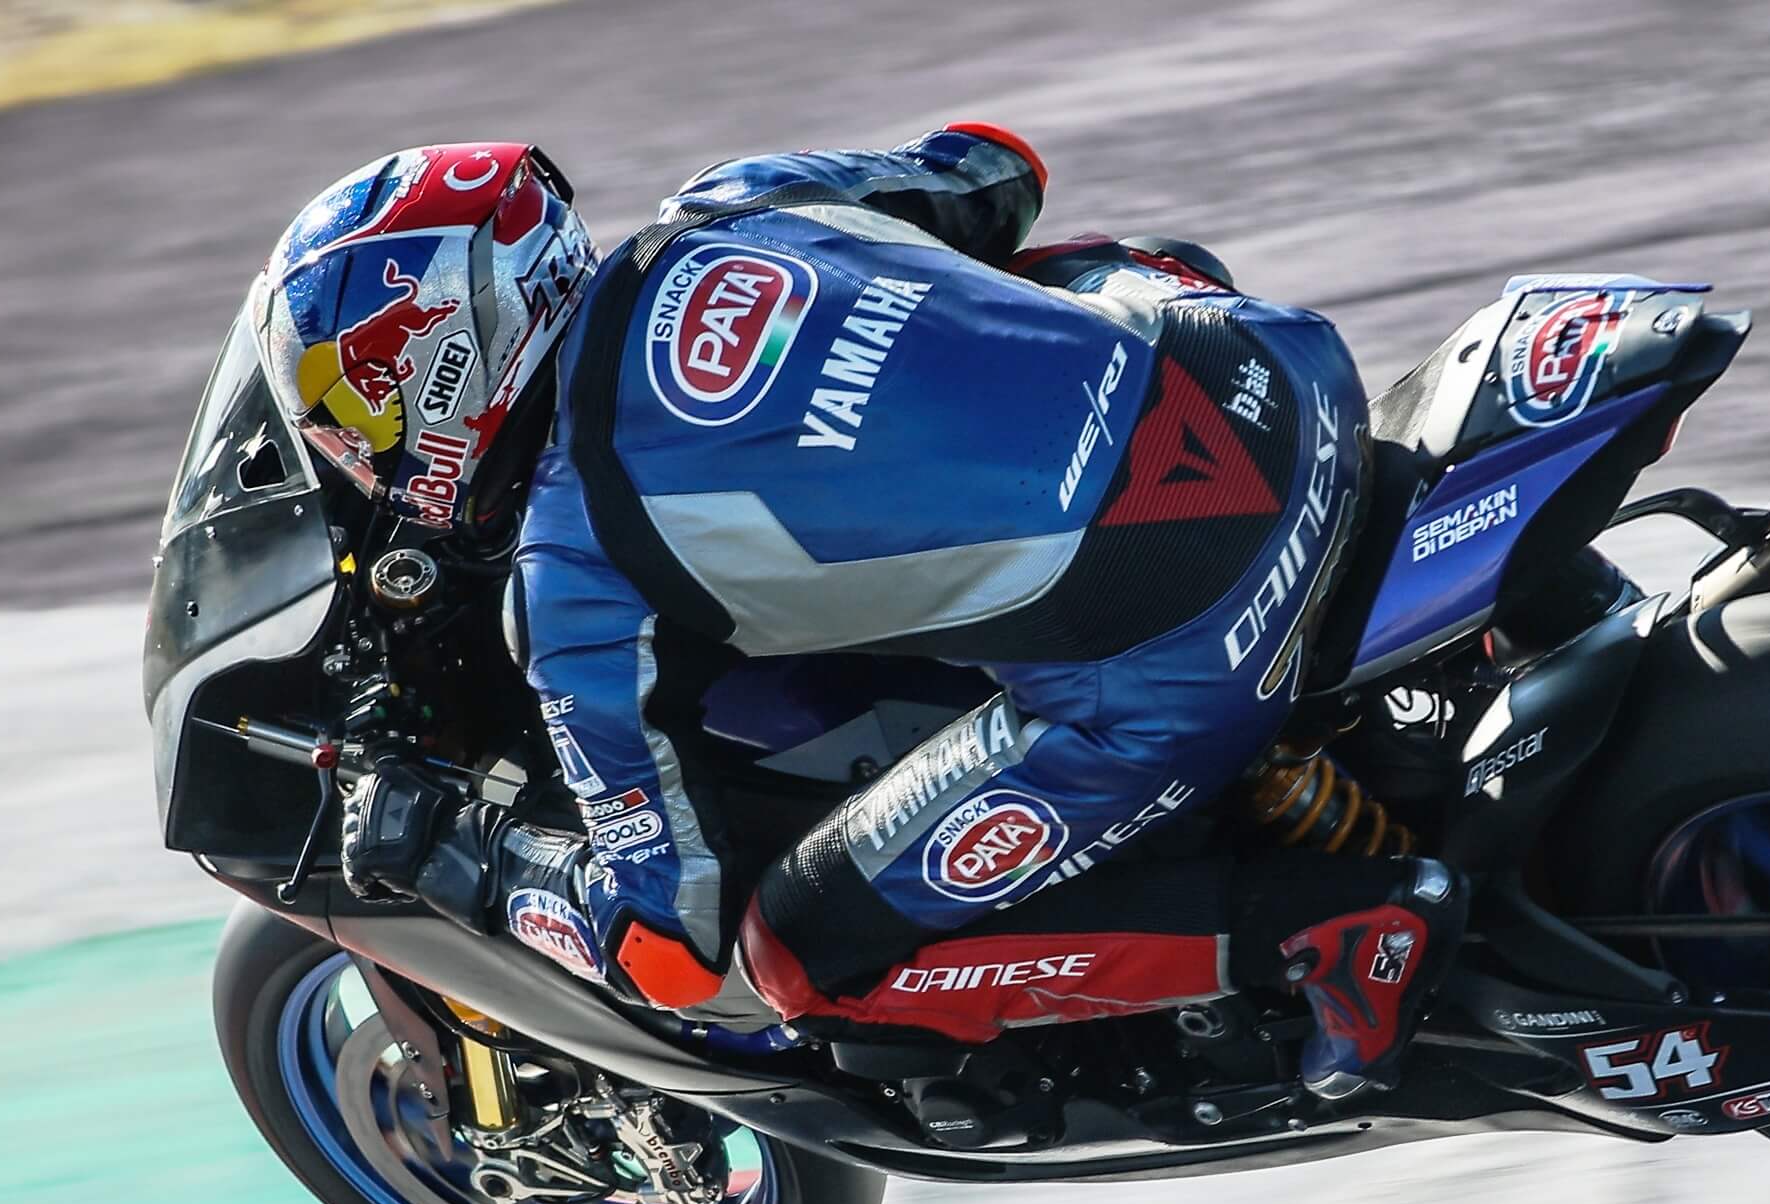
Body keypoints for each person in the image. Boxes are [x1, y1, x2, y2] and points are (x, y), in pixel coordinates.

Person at [261, 131, 1459, 1099]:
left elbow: (669, 943)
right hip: (1277, 373)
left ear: (436, 358)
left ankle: (1328, 930)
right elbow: (996, 170)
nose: (349, 443)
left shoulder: (576, 575)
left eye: (342, 405)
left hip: (1193, 637)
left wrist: (461, 851)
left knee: (795, 958)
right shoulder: (735, 201)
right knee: (1049, 267)